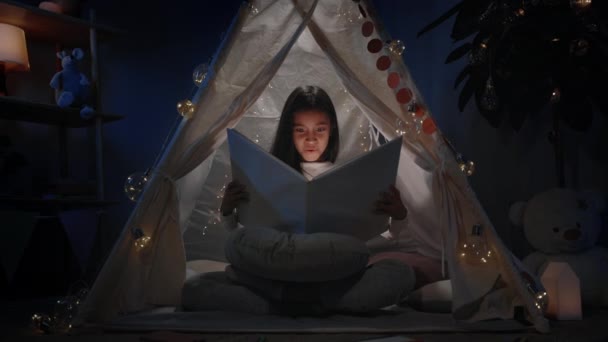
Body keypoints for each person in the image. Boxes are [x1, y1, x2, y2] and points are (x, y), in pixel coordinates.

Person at [220, 85, 407, 231]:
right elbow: (241, 233)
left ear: (331, 129)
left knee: (396, 269)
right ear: (289, 132)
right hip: (279, 257)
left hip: (331, 258)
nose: (311, 139)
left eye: (320, 129)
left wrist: (399, 217)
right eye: (301, 130)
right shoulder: (268, 172)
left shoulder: (347, 176)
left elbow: (382, 236)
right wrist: (228, 211)